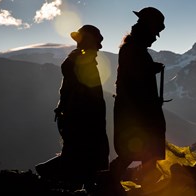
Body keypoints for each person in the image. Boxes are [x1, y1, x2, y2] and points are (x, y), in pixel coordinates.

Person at [35, 25, 109, 187]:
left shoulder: (76, 61)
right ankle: (50, 173)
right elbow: (85, 96)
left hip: (76, 118)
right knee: (85, 155)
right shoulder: (81, 63)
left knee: (77, 154)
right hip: (82, 119)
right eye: (97, 43)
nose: (99, 48)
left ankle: (51, 174)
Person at [110, 7, 166, 193]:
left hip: (135, 109)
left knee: (139, 148)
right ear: (147, 29)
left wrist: (150, 68)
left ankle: (115, 181)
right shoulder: (133, 50)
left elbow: (134, 75)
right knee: (143, 146)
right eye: (155, 32)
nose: (155, 37)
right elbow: (136, 78)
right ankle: (143, 184)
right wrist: (151, 70)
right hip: (137, 111)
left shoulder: (132, 49)